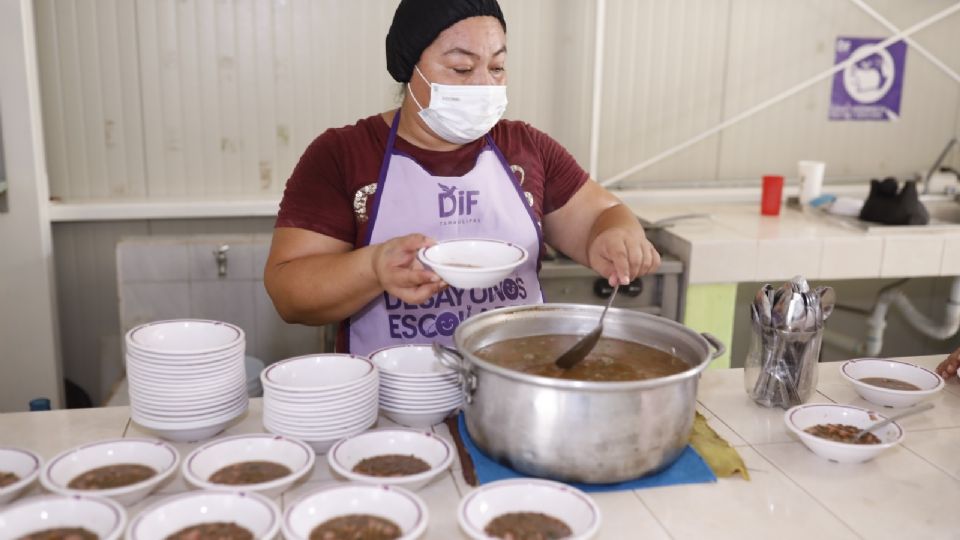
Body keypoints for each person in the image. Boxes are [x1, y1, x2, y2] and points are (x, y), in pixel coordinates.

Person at [264, 0, 660, 356]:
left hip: (512, 385)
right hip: (390, 405)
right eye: (462, 68)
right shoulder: (342, 155)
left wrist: (617, 233)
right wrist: (372, 268)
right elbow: (290, 293)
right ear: (408, 67)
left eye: (497, 66)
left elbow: (601, 215)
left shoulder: (527, 148)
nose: (484, 85)